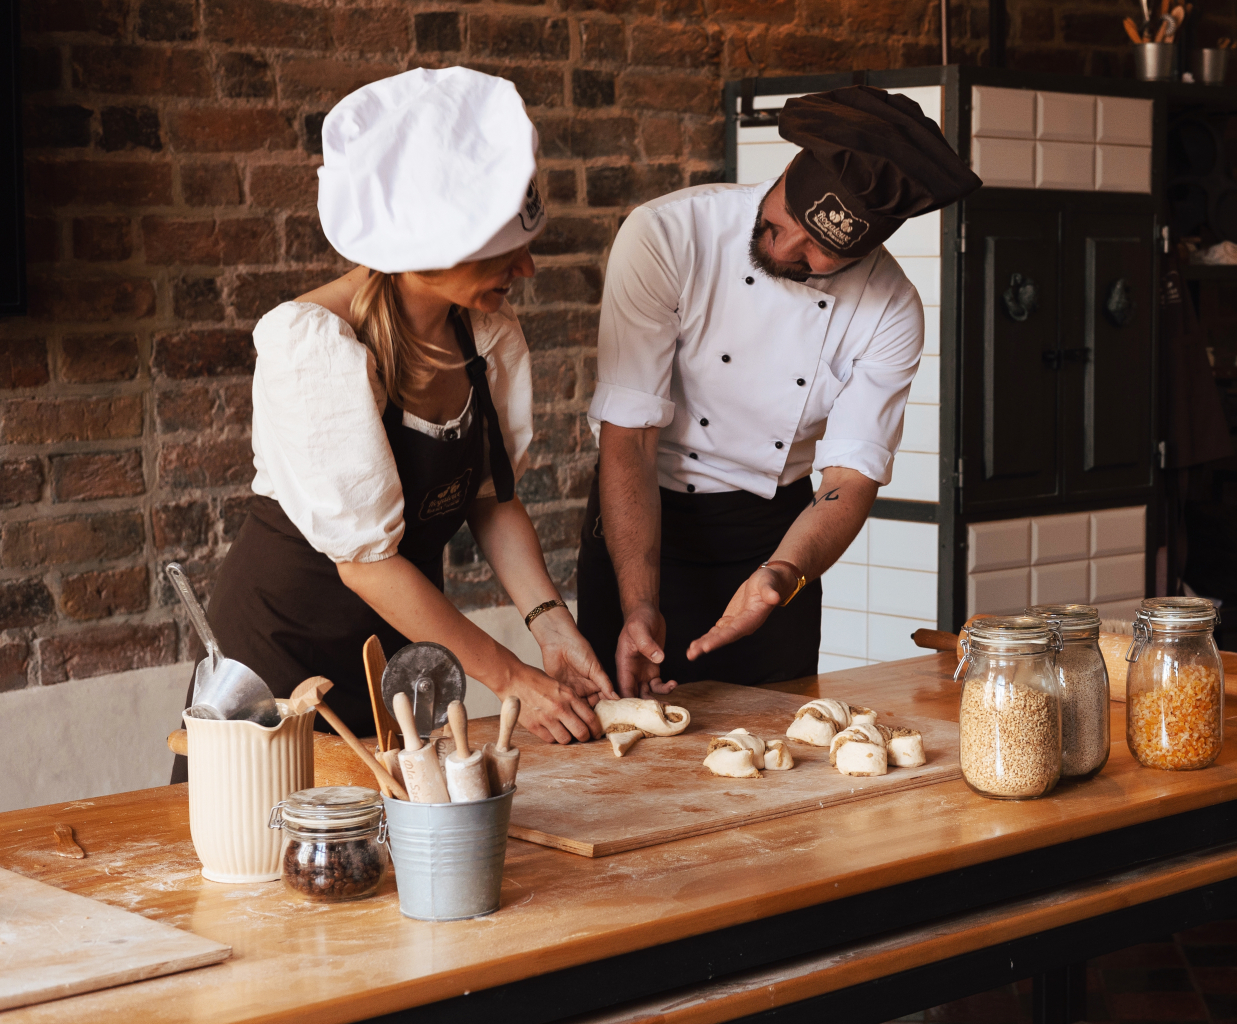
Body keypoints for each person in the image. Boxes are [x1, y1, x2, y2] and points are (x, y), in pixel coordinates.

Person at [171, 68, 614, 784]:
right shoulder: (310, 346)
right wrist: (508, 678)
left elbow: (493, 503)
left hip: (400, 652)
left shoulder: (485, 336)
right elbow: (364, 562)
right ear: (430, 254)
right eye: (506, 252)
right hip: (281, 653)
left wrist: (551, 625)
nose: (527, 268)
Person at [578, 86, 981, 697]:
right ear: (788, 170)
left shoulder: (891, 309)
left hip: (771, 537)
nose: (784, 250)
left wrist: (782, 576)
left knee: (777, 748)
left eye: (819, 251)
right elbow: (629, 438)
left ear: (869, 248)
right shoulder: (667, 234)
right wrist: (639, 604)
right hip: (639, 513)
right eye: (781, 223)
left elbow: (849, 479)